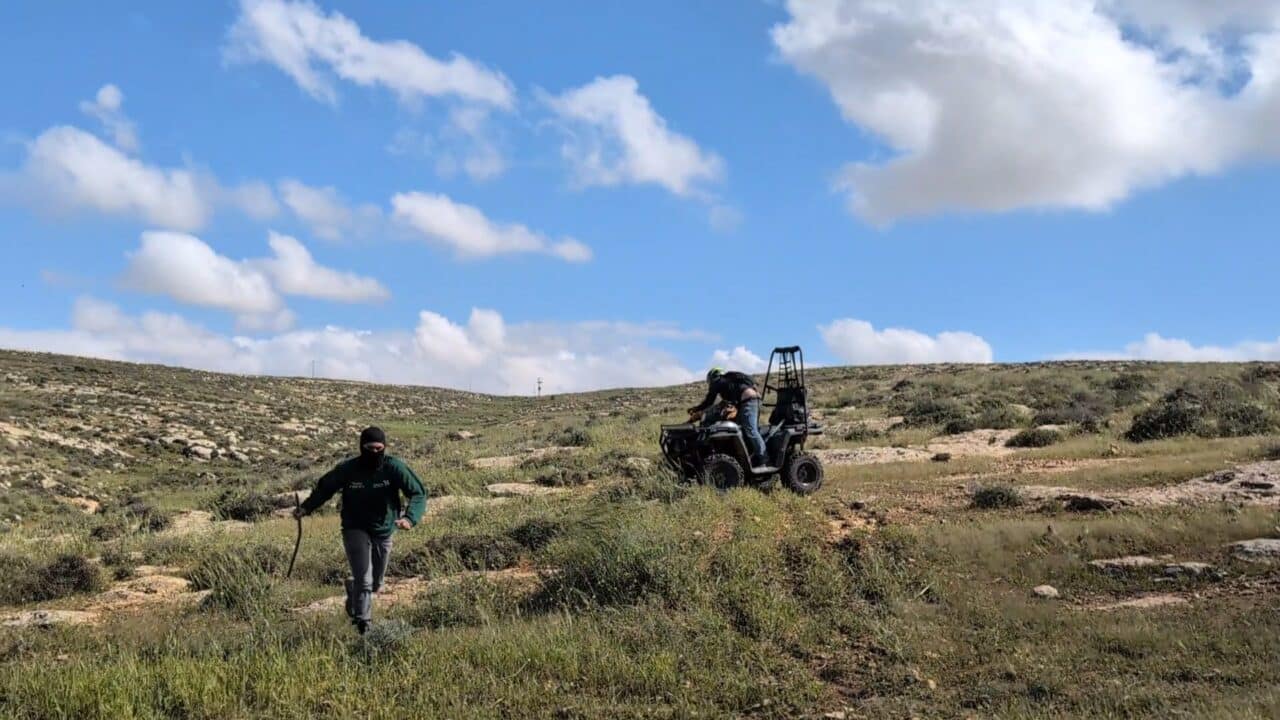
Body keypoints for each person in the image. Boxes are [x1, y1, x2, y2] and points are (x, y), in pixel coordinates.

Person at [294, 426, 427, 634]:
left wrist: (410, 518)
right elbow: (325, 488)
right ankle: (364, 625)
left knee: (375, 583)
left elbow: (418, 493)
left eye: (378, 448)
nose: (374, 453)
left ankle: (353, 592)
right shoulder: (348, 469)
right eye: (369, 448)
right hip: (354, 526)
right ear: (361, 447)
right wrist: (306, 508)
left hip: (384, 528)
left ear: (384, 447)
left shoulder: (394, 468)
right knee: (364, 579)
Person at [688, 367, 769, 468]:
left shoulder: (718, 382)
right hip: (746, 401)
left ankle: (763, 459)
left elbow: (709, 401)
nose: (710, 384)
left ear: (713, 377)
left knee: (750, 430)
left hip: (749, 401)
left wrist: (696, 409)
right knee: (738, 428)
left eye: (709, 381)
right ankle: (749, 456)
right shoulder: (727, 382)